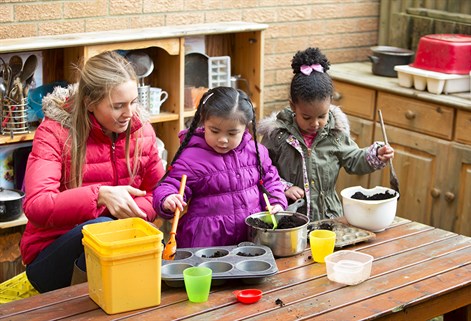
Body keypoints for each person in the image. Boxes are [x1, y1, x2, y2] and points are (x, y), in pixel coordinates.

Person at [20, 51, 165, 293]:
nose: (130, 114)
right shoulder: (54, 133)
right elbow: (37, 205)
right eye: (118, 106)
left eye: (134, 101)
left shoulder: (142, 131)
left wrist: (135, 211)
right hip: (52, 257)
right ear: (89, 103)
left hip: (117, 246)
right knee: (100, 227)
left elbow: (157, 190)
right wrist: (99, 195)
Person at [258, 47, 394, 222]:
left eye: (322, 116)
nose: (315, 124)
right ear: (293, 107)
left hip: (328, 218)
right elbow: (261, 170)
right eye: (306, 117)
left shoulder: (335, 134)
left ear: (330, 104)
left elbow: (354, 158)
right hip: (290, 219)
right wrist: (284, 187)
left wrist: (376, 154)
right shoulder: (277, 136)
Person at [153, 87, 287, 248]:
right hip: (205, 242)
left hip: (250, 237)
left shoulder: (256, 152)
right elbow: (171, 184)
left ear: (246, 127)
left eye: (232, 133)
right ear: (204, 122)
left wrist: (277, 202)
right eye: (215, 131)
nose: (222, 140)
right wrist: (168, 198)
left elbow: (271, 180)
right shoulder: (192, 157)